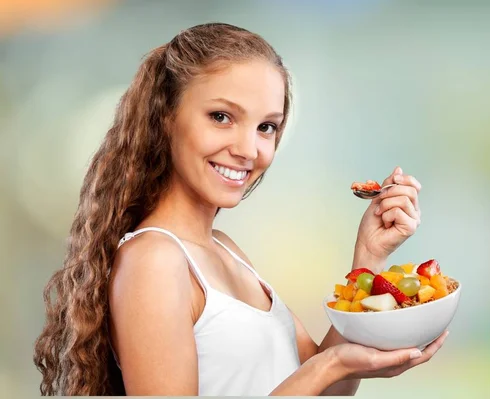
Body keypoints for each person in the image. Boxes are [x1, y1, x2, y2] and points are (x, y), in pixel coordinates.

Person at [33, 23, 448, 396]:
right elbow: (322, 373)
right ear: (165, 117)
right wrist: (330, 365)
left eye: (266, 126)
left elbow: (323, 390)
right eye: (221, 117)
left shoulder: (225, 251)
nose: (249, 149)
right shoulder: (154, 260)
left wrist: (369, 257)